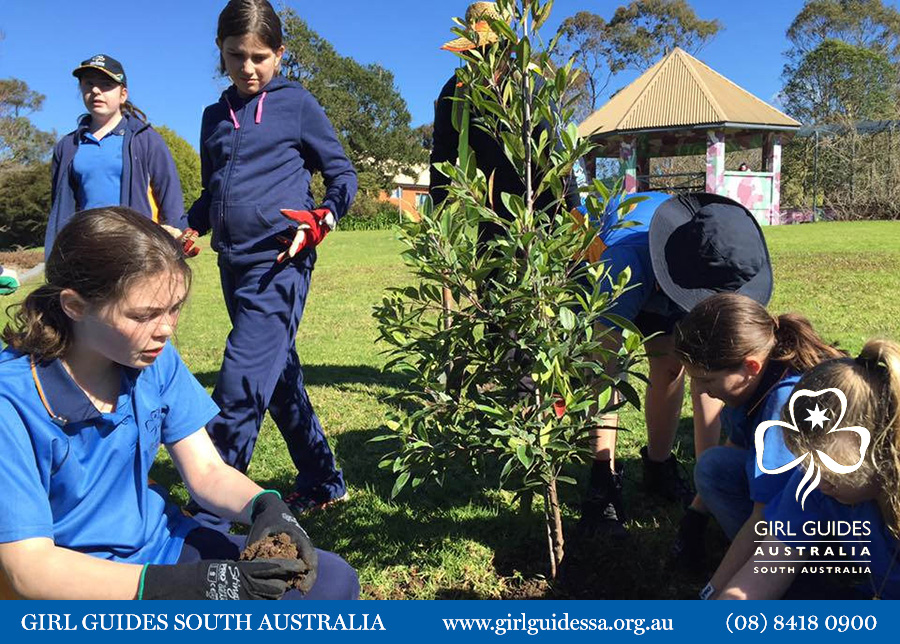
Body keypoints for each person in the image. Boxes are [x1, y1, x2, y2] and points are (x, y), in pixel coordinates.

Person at [0, 207, 358, 600]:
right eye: (145, 314)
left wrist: (264, 505)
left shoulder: (147, 356)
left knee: (333, 583)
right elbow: (29, 570)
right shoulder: (12, 402)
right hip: (84, 583)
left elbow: (205, 470)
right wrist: (194, 586)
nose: (166, 329)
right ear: (75, 306)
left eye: (174, 309)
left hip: (165, 545)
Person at [187, 0, 357, 523]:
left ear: (279, 55)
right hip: (231, 266)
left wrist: (322, 219)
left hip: (281, 263)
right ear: (221, 50)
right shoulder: (213, 116)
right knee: (276, 378)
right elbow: (213, 192)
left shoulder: (297, 104)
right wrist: (188, 226)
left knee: (240, 383)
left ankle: (209, 515)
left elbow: (342, 176)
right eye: (236, 55)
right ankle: (324, 480)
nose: (248, 67)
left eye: (260, 56)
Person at [578, 192, 775, 537]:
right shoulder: (623, 265)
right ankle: (603, 482)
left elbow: (707, 382)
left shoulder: (721, 260)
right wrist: (601, 474)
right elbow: (604, 374)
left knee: (671, 365)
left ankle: (659, 466)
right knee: (607, 369)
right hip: (609, 269)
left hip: (679, 273)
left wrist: (707, 488)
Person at [713, 339, 900, 600]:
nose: (818, 481)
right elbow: (760, 577)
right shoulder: (813, 481)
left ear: (882, 450)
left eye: (833, 472)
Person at [671, 293, 844, 577]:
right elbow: (737, 444)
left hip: (840, 520)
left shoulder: (785, 404)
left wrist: (716, 590)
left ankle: (794, 575)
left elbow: (763, 517)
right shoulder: (762, 372)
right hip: (809, 502)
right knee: (714, 466)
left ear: (749, 366)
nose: (701, 390)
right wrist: (696, 514)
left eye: (707, 380)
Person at [45, 54, 186, 259]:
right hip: (86, 251)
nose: (96, 91)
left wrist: (173, 248)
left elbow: (171, 200)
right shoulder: (67, 147)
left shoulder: (146, 140)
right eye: (89, 84)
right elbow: (61, 208)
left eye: (106, 85)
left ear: (123, 94)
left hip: (138, 250)